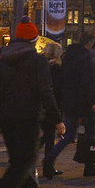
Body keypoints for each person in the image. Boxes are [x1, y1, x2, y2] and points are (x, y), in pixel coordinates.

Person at [0, 19, 65, 188]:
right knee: (25, 162)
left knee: (19, 162)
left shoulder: (1, 62)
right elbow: (46, 92)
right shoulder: (37, 62)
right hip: (28, 117)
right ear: (34, 40)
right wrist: (57, 120)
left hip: (6, 119)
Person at [47, 31, 95, 178]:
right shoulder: (85, 58)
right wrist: (92, 102)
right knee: (89, 133)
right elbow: (87, 82)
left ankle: (49, 159)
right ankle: (89, 165)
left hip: (69, 101)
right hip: (83, 102)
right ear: (90, 42)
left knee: (68, 136)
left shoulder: (67, 56)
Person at [39, 41, 65, 177]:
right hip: (52, 104)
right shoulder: (57, 67)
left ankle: (30, 158)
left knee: (45, 135)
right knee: (49, 137)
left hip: (39, 104)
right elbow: (59, 89)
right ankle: (48, 168)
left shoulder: (40, 65)